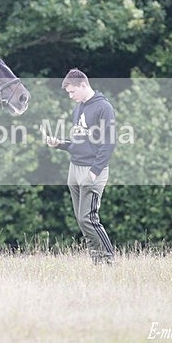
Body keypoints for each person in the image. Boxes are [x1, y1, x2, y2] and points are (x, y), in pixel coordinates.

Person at [46, 68, 117, 264]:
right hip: (74, 169)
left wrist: (95, 171)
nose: (70, 96)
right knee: (81, 220)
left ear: (83, 85)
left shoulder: (104, 108)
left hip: (93, 170)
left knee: (89, 218)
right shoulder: (78, 109)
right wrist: (59, 143)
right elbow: (78, 142)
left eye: (72, 92)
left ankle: (109, 258)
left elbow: (109, 142)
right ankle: (96, 260)